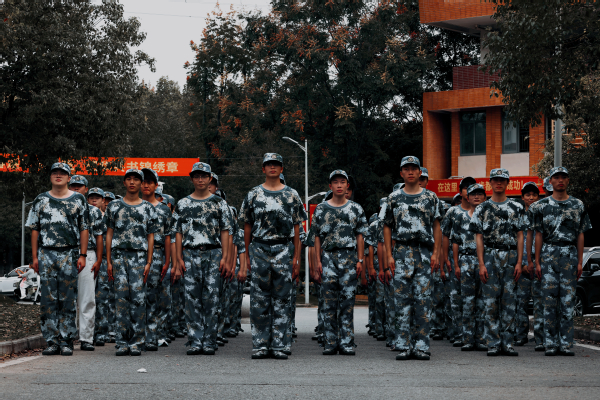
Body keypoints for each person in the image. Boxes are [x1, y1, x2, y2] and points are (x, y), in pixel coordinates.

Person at [239, 153, 307, 360]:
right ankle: (260, 344)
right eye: (268, 164)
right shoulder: (253, 194)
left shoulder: (292, 194)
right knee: (259, 300)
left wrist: (296, 259)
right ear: (263, 169)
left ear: (282, 168)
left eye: (276, 164)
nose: (272, 167)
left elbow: (297, 227)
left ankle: (280, 344)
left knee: (282, 300)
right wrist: (247, 254)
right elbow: (247, 225)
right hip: (259, 248)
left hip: (283, 249)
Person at [26, 162, 89, 356]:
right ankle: (51, 341)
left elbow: (84, 228)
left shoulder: (78, 199)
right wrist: (34, 257)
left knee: (68, 299)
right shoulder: (41, 199)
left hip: (70, 253)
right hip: (46, 253)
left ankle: (66, 341)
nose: (58, 175)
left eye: (63, 173)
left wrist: (83, 255)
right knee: (48, 299)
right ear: (50, 176)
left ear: (69, 178)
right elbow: (34, 229)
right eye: (55, 172)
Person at [382, 156, 442, 361]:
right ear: (401, 173)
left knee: (423, 300)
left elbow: (437, 225)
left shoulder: (431, 197)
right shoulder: (393, 198)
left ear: (419, 172)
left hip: (424, 252)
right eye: (406, 169)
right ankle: (403, 344)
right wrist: (389, 255)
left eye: (413, 168)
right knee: (402, 301)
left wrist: (436, 253)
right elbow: (387, 226)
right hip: (401, 252)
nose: (410, 172)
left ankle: (422, 345)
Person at [171, 162, 233, 355]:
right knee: (191, 300)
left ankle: (210, 340)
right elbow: (177, 233)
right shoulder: (183, 204)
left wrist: (225, 257)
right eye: (196, 176)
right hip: (190, 253)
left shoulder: (219, 203)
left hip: (213, 253)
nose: (200, 179)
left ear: (210, 179)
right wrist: (178, 259)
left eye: (204, 176)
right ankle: (195, 340)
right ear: (192, 179)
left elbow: (226, 231)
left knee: (211, 299)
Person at [530, 166, 592, 356]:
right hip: (549, 252)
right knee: (549, 301)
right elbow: (538, 235)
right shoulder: (541, 206)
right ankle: (550, 343)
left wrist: (580, 262)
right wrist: (537, 261)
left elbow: (580, 234)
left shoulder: (577, 204)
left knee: (567, 301)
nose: (560, 180)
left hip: (569, 253)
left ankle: (565, 343)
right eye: (556, 177)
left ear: (568, 180)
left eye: (563, 177)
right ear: (550, 181)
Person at [308, 170, 368, 355]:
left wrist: (360, 260)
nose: (339, 185)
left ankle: (347, 342)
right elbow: (316, 237)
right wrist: (317, 262)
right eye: (336, 182)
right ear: (330, 186)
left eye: (343, 182)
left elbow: (360, 236)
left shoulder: (356, 209)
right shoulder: (321, 209)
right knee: (329, 302)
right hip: (328, 257)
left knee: (347, 302)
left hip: (349, 258)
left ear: (347, 186)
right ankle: (330, 342)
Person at [470, 168, 525, 357]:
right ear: (490, 183)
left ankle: (507, 343)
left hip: (510, 256)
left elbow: (520, 235)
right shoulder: (482, 208)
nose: (499, 183)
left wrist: (519, 262)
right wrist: (481, 264)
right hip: (490, 255)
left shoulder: (516, 207)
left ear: (508, 182)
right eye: (495, 180)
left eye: (502, 179)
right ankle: (493, 343)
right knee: (490, 302)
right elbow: (478, 237)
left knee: (509, 301)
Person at [105, 168, 158, 356]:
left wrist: (149, 261)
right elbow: (109, 233)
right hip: (119, 256)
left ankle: (137, 342)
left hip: (139, 257)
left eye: (136, 179)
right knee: (120, 300)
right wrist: (108, 261)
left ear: (142, 183)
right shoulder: (114, 206)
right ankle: (121, 342)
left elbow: (151, 236)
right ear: (124, 182)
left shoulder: (148, 208)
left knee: (138, 300)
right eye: (129, 179)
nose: (132, 182)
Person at [69, 178, 105, 352]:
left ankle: (86, 338)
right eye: (73, 186)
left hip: (89, 253)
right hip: (67, 252)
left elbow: (99, 236)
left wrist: (99, 259)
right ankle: (67, 337)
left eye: (79, 186)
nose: (76, 188)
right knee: (67, 299)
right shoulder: (64, 207)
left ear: (86, 189)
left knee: (87, 298)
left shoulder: (94, 211)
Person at [440, 176, 476, 347]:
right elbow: (445, 236)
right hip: (457, 259)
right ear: (460, 192)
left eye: (472, 188)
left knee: (475, 299)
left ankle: (474, 335)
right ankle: (459, 333)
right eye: (466, 188)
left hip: (477, 259)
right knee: (456, 298)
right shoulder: (453, 212)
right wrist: (446, 259)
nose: (469, 191)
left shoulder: (481, 211)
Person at [140, 169, 173, 351]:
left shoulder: (163, 210)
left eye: (150, 182)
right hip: (137, 254)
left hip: (158, 255)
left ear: (156, 185)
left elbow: (168, 236)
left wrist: (167, 261)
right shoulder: (133, 206)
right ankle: (137, 334)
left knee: (154, 295)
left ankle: (154, 335)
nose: (146, 185)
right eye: (143, 181)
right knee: (136, 295)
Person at [451, 183, 487, 351]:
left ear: (485, 197)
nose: (476, 197)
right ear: (467, 197)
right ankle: (467, 338)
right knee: (467, 301)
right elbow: (455, 242)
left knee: (483, 301)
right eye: (473, 194)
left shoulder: (489, 216)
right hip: (465, 260)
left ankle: (481, 338)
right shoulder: (460, 217)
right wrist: (456, 264)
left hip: (484, 261)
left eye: (480, 194)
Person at [513, 182, 540, 347]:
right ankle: (520, 335)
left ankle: (540, 337)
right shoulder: (518, 216)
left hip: (539, 266)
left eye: (534, 195)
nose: (531, 198)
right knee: (520, 303)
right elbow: (515, 241)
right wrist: (521, 263)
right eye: (528, 195)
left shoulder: (543, 214)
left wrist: (537, 263)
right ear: (522, 197)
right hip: (521, 266)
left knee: (539, 303)